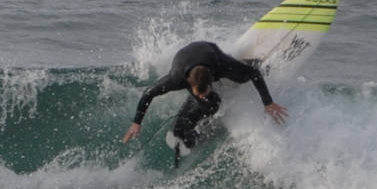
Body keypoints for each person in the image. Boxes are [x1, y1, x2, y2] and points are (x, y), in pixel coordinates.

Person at [121, 41, 289, 162]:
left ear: (211, 82)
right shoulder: (176, 79)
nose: (202, 94)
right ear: (190, 85)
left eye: (205, 91)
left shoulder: (221, 65)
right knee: (207, 103)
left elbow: (254, 74)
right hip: (183, 58)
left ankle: (247, 62)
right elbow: (148, 94)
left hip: (210, 51)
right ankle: (194, 131)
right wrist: (137, 123)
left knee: (242, 78)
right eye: (198, 93)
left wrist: (268, 103)